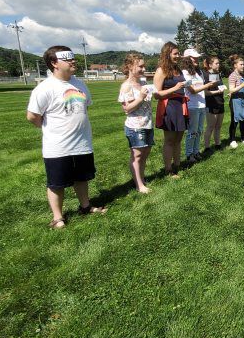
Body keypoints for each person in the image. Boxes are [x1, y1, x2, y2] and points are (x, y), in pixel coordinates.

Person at [26, 46, 106, 228]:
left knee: (82, 178)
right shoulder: (45, 88)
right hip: (58, 147)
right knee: (57, 183)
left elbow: (86, 107)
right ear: (54, 63)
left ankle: (85, 207)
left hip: (82, 143)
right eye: (67, 59)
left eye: (73, 58)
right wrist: (49, 129)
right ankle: (58, 218)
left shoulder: (79, 84)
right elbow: (32, 116)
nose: (73, 61)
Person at [118, 53, 154, 193]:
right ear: (129, 67)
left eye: (144, 66)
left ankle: (141, 179)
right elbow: (127, 109)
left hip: (147, 123)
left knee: (145, 153)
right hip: (135, 127)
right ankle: (139, 185)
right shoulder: (126, 86)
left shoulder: (143, 82)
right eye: (140, 66)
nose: (144, 69)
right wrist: (140, 98)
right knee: (137, 155)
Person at [153, 42, 188, 178]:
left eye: (178, 53)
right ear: (167, 54)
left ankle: (177, 165)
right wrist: (175, 88)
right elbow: (156, 94)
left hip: (181, 105)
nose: (178, 56)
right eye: (175, 54)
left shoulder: (177, 69)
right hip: (169, 107)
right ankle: (168, 169)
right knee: (169, 140)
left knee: (179, 138)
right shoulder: (161, 70)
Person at [181, 48, 216, 163]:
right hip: (192, 106)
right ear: (187, 59)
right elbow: (192, 90)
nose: (196, 59)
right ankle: (189, 154)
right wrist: (207, 86)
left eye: (197, 57)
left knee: (200, 130)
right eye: (193, 57)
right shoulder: (185, 73)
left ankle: (196, 152)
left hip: (202, 105)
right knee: (192, 131)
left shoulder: (199, 72)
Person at [227, 54, 244, 149]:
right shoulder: (232, 76)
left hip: (242, 100)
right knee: (235, 120)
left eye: (243, 64)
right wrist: (243, 85)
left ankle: (243, 138)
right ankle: (232, 140)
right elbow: (231, 90)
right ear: (235, 65)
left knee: (243, 119)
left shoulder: (241, 75)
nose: (243, 66)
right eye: (241, 64)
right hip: (235, 102)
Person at [203, 56, 226, 152]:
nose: (218, 65)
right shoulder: (205, 75)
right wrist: (218, 92)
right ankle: (207, 147)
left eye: (218, 63)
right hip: (211, 103)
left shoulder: (218, 74)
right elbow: (205, 92)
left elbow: (219, 87)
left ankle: (217, 144)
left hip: (220, 102)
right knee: (210, 126)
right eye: (216, 63)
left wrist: (223, 91)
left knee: (218, 126)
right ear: (210, 65)